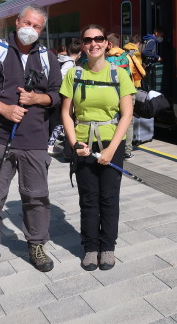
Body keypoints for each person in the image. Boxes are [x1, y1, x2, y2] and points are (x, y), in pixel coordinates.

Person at [0, 5, 62, 289]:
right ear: (17, 22)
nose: (31, 29)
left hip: (34, 140)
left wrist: (37, 100)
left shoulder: (47, 57)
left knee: (36, 197)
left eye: (37, 27)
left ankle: (35, 245)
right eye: (28, 23)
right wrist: (4, 110)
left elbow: (57, 95)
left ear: (41, 31)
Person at [60, 25, 135, 271]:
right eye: (88, 40)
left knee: (109, 199)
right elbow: (66, 114)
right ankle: (91, 247)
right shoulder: (74, 74)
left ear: (106, 43)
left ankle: (108, 247)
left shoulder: (119, 75)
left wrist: (113, 149)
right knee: (89, 200)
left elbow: (126, 115)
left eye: (99, 39)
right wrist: (74, 145)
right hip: (83, 144)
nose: (94, 44)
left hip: (111, 142)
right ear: (82, 44)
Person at [48, 38, 83, 154]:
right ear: (79, 54)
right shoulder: (69, 63)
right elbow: (61, 77)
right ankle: (51, 144)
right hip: (63, 95)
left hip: (56, 94)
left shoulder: (60, 59)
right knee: (61, 121)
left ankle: (52, 143)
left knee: (57, 119)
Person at [106, 33, 135, 158]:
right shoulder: (127, 56)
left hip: (112, 93)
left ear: (110, 44)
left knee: (112, 119)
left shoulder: (107, 59)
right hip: (127, 91)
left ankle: (114, 148)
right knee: (128, 121)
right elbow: (135, 72)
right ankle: (127, 150)